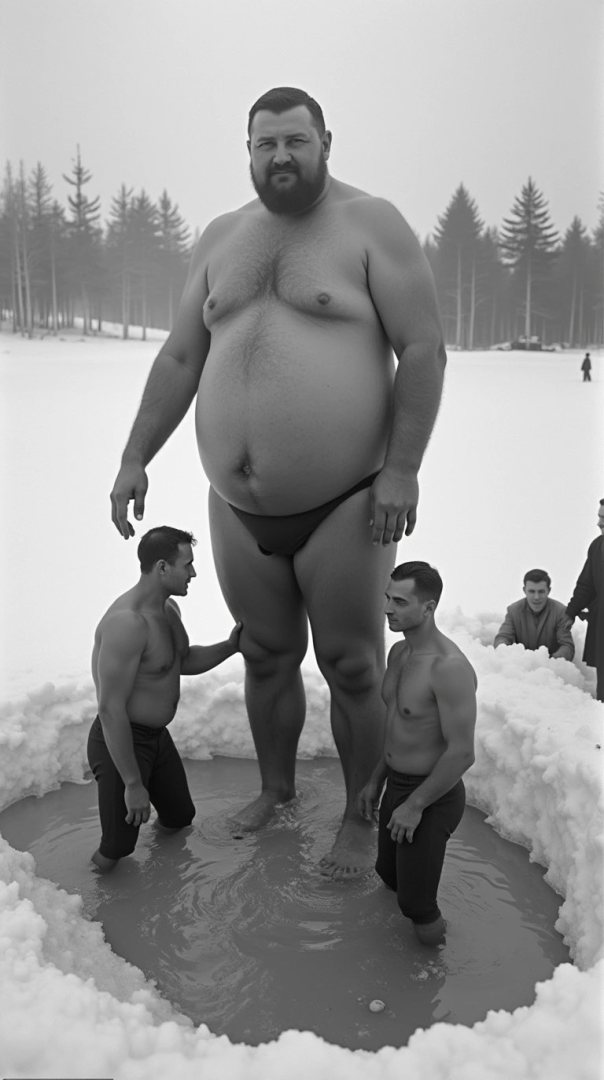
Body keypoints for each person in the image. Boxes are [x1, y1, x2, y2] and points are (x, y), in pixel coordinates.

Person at [110, 86, 446, 879]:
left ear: (326, 140)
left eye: (296, 141)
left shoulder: (372, 225)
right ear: (248, 149)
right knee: (266, 654)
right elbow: (181, 358)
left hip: (346, 502)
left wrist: (401, 469)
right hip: (235, 507)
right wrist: (134, 456)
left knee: (354, 664)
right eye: (265, 144)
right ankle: (276, 788)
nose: (281, 156)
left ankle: (361, 819)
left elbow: (423, 348)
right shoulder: (223, 238)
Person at [88, 526, 242, 872]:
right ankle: (95, 901)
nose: (193, 573)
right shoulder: (126, 624)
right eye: (186, 564)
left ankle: (165, 872)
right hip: (123, 741)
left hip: (157, 739)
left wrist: (231, 647)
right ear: (161, 568)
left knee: (179, 817)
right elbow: (110, 709)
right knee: (116, 849)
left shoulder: (168, 610)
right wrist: (132, 783)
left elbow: (181, 660)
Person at [358, 562, 476, 945]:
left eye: (400, 601)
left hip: (433, 795)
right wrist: (376, 779)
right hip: (397, 784)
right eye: (387, 598)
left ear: (428, 607)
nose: (388, 609)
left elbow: (461, 754)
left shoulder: (449, 667)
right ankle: (389, 946)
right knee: (388, 875)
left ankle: (431, 971)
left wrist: (415, 805)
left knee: (417, 904)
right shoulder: (399, 653)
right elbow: (398, 726)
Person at [565, 499, 604, 702]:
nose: (599, 523)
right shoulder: (598, 546)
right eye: (599, 517)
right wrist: (571, 612)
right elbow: (586, 586)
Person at [494, 569, 575, 660]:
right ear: (524, 590)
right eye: (532, 591)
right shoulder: (513, 611)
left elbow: (567, 646)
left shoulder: (561, 612)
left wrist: (551, 662)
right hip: (521, 666)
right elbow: (503, 637)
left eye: (541, 592)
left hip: (551, 668)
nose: (536, 597)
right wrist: (503, 650)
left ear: (549, 590)